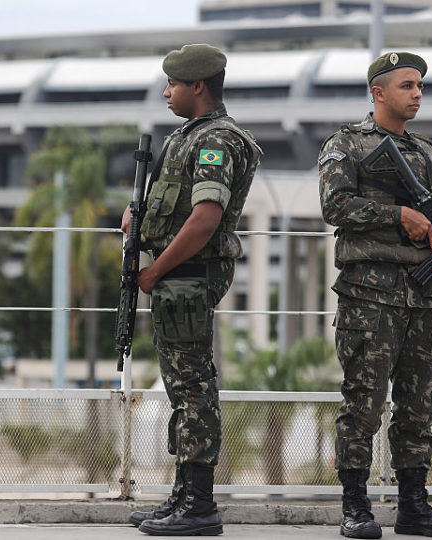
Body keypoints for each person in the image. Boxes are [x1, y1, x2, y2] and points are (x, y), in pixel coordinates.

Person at [319, 51, 432, 539]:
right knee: (363, 401)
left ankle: (414, 505)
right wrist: (398, 217)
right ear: (378, 93)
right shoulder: (347, 144)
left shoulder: (425, 153)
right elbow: (335, 205)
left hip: (423, 296)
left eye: (420, 86)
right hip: (370, 296)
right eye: (407, 86)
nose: (417, 94)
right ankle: (355, 506)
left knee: (419, 403)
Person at [122, 44, 261, 536]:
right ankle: (184, 494)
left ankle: (199, 504)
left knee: (194, 389)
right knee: (182, 388)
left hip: (188, 279)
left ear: (197, 86)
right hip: (179, 279)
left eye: (173, 85)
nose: (167, 92)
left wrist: (155, 270)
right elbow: (177, 205)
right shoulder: (191, 135)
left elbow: (205, 219)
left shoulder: (215, 141)